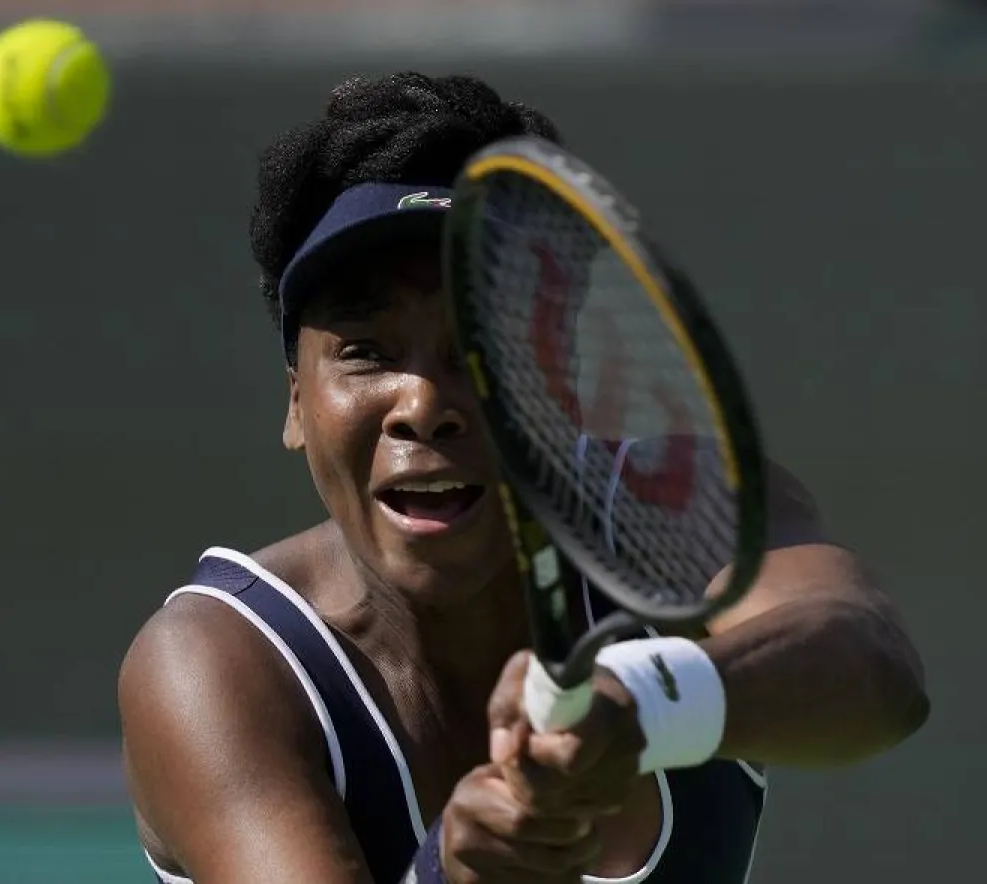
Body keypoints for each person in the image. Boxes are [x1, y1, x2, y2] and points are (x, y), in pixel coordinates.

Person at [119, 71, 930, 884]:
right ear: (298, 402)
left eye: (479, 346)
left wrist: (640, 705)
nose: (425, 404)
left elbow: (874, 669)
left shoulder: (680, 514)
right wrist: (451, 873)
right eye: (367, 350)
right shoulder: (215, 665)